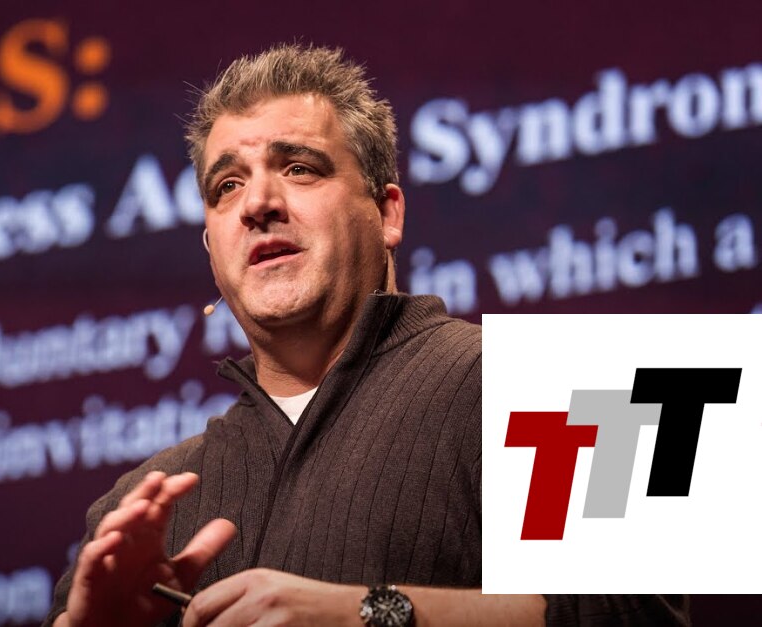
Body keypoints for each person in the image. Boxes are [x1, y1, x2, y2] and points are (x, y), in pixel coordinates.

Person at [44, 44, 688, 627]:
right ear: (212, 247)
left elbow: (642, 617)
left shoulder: (577, 384)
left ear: (386, 213)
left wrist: (366, 614)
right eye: (227, 186)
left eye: (299, 168)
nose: (257, 204)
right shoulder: (136, 508)